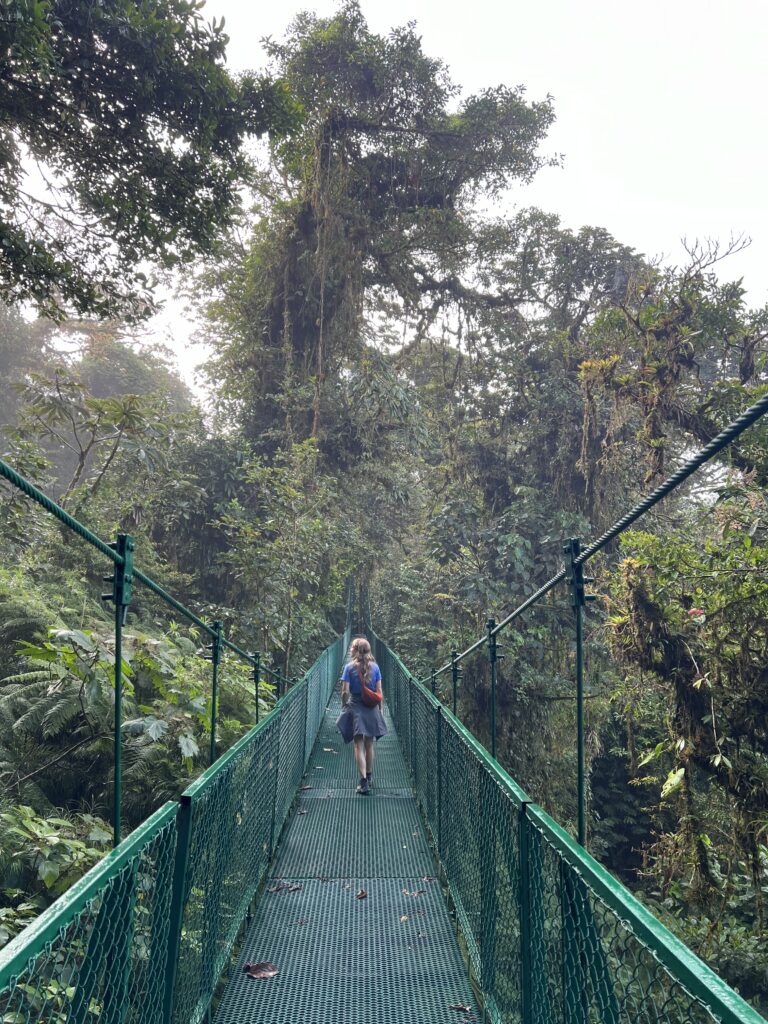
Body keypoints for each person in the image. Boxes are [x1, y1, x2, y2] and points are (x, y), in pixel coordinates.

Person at [336, 637, 388, 794]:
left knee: (358, 745)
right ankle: (370, 775)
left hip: (356, 707)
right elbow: (379, 692)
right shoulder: (376, 668)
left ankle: (363, 781)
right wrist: (380, 709)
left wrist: (344, 705)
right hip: (371, 707)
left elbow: (345, 691)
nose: (350, 649)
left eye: (352, 647)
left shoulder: (349, 667)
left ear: (355, 650)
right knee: (369, 744)